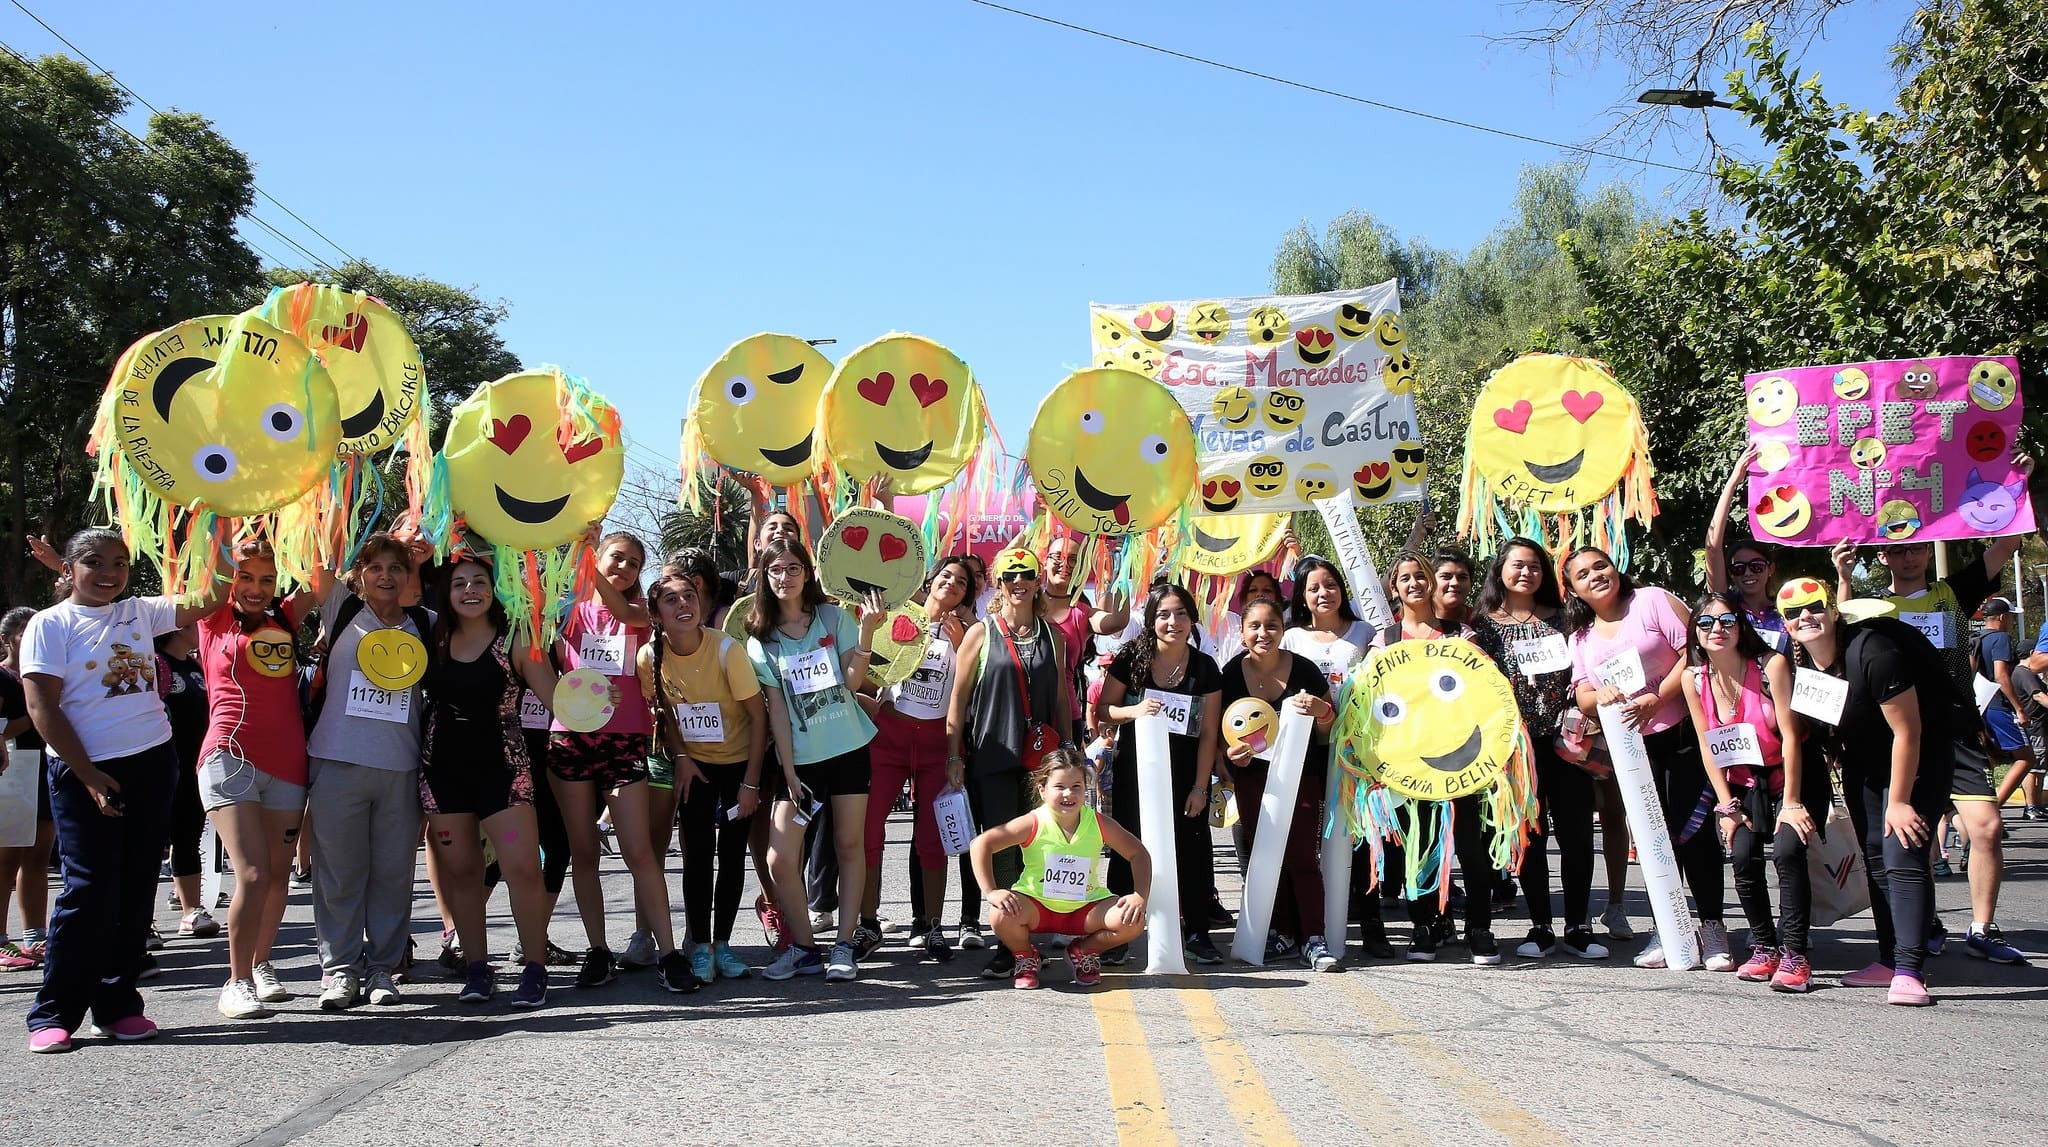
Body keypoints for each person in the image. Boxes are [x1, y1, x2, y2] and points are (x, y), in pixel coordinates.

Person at [19, 528, 225, 1052]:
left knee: (136, 890)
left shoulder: (138, 612)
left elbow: (214, 596)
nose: (109, 574)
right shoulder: (50, 624)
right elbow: (43, 708)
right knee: (88, 892)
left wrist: (222, 524)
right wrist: (87, 775)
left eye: (119, 563)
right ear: (67, 568)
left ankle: (116, 1005)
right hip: (82, 773)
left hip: (152, 763)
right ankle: (53, 1012)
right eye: (94, 562)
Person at [1780, 578, 1952, 1005]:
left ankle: (1911, 970)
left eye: (1815, 606)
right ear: (1785, 625)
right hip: (1865, 763)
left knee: (1901, 851)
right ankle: (1890, 959)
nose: (1806, 616)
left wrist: (1898, 800)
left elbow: (1907, 731)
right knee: (1875, 855)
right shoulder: (1802, 665)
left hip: (1920, 758)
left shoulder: (1874, 651)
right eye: (1793, 612)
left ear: (1834, 610)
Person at [422, 556, 578, 1007]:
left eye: (479, 582)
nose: (470, 590)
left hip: (504, 772)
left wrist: (592, 699)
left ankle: (534, 968)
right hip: (442, 773)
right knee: (464, 874)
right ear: (446, 594)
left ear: (496, 589)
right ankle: (476, 968)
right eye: (459, 584)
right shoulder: (436, 637)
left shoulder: (517, 638)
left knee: (522, 870)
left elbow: (556, 699)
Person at [1565, 546, 1729, 971]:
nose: (1595, 576)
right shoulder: (1580, 637)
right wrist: (1596, 696)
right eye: (1583, 574)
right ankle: (1669, 928)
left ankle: (1713, 929)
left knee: (1692, 834)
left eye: (1600, 565)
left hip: (1683, 735)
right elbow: (1582, 692)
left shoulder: (1652, 600)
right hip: (1633, 749)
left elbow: (1694, 654)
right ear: (1574, 589)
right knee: (1654, 841)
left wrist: (1656, 699)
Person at [191, 538, 320, 1019]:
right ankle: (236, 980)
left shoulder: (284, 617)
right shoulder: (212, 618)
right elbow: (208, 560)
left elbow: (320, 571)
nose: (256, 588)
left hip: (287, 759)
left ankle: (261, 965)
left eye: (267, 579)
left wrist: (317, 502)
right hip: (230, 753)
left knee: (278, 876)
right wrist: (225, 518)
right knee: (251, 872)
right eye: (246, 577)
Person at [746, 537, 884, 982]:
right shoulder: (760, 640)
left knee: (848, 845)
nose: (784, 577)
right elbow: (777, 710)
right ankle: (804, 947)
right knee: (779, 858)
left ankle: (844, 946)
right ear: (765, 578)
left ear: (807, 572)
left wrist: (865, 632)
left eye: (792, 568)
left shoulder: (832, 617)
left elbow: (849, 680)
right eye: (775, 570)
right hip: (800, 763)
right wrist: (787, 771)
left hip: (847, 748)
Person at [550, 531, 682, 989]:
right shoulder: (570, 611)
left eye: (633, 563)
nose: (623, 568)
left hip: (625, 741)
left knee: (638, 851)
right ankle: (598, 950)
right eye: (615, 558)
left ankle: (668, 953)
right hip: (571, 740)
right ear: (598, 557)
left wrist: (590, 563)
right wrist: (578, 551)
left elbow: (624, 611)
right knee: (583, 852)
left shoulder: (642, 615)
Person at [305, 533, 433, 1010]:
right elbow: (321, 553)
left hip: (400, 767)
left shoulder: (426, 623)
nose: (386, 576)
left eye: (395, 568)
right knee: (339, 874)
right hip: (337, 762)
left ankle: (383, 968)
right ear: (358, 574)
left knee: (393, 874)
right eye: (375, 567)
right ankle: (338, 971)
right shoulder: (340, 609)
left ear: (408, 576)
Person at [1471, 539, 1607, 961]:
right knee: (1530, 836)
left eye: (1534, 566)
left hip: (1567, 744)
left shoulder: (1568, 619)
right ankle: (1541, 925)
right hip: (1515, 748)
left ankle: (1579, 925)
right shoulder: (1482, 626)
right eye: (1517, 566)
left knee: (1577, 835)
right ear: (1500, 572)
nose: (1526, 573)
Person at [1683, 592, 1823, 991]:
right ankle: (1765, 945)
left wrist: (1792, 802)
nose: (1717, 630)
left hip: (1789, 776)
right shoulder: (1693, 678)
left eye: (1727, 621)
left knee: (1787, 852)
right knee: (1742, 855)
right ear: (1695, 631)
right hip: (1742, 785)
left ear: (1741, 626)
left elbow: (1793, 737)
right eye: (1706, 623)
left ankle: (1795, 954)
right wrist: (1726, 806)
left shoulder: (1769, 665)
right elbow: (1707, 745)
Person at [948, 547, 1075, 977]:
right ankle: (1011, 944)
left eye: (1026, 574)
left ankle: (1037, 933)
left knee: (1043, 846)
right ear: (998, 585)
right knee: (1002, 849)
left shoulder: (1053, 636)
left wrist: (1071, 757)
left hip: (1042, 763)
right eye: (1009, 576)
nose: (1018, 582)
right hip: (993, 755)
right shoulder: (980, 634)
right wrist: (954, 755)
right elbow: (958, 700)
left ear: (1038, 581)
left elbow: (1061, 699)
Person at [1370, 550, 1498, 964]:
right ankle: (1424, 926)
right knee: (1420, 847)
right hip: (1410, 763)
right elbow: (1370, 699)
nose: (1413, 584)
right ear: (1394, 588)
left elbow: (1486, 692)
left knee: (1471, 849)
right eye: (1404, 578)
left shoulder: (1460, 636)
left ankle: (1479, 928)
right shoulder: (1384, 640)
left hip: (1463, 758)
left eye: (1420, 576)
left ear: (1431, 582)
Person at [640, 567, 765, 984]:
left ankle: (725, 946)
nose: (684, 605)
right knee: (696, 856)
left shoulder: (727, 649)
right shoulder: (649, 656)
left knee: (731, 855)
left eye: (690, 597)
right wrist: (680, 757)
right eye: (672, 599)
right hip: (694, 766)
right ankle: (700, 946)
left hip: (738, 764)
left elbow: (758, 718)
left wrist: (750, 784)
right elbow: (664, 713)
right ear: (656, 612)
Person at [1096, 582, 1224, 967]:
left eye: (1181, 613)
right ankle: (1117, 932)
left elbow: (1209, 734)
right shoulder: (1131, 656)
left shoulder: (1205, 667)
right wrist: (1133, 712)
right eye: (1164, 615)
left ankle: (1198, 932)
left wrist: (1201, 787)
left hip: (1186, 775)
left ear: (1192, 619)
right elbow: (1104, 710)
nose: (1173, 622)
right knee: (1127, 850)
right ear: (1151, 621)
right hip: (1137, 773)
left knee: (1193, 849)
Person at [858, 556, 973, 964]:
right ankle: (867, 923)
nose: (952, 584)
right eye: (946, 576)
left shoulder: (966, 634)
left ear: (966, 594)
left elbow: (962, 695)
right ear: (931, 580)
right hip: (888, 735)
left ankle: (933, 925)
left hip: (934, 743)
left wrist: (961, 645)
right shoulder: (899, 617)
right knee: (869, 831)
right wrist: (867, 700)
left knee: (931, 838)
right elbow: (872, 674)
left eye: (961, 582)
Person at [1281, 556, 1392, 957]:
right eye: (1313, 588)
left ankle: (1372, 923)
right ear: (1303, 598)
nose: (1323, 593)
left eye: (1330, 584)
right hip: (1308, 750)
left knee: (1362, 838)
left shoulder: (1365, 632)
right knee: (1311, 837)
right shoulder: (1291, 638)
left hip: (1357, 750)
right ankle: (1310, 923)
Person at [970, 747, 1151, 989]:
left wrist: (1140, 896)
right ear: (1042, 790)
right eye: (1060, 787)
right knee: (999, 914)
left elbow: (1138, 853)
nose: (1068, 793)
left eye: (1076, 786)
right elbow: (981, 844)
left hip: (1086, 908)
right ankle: (1025, 957)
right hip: (1036, 905)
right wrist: (991, 891)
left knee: (1133, 920)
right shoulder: (1033, 822)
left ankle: (1084, 952)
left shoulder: (1097, 823)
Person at [1219, 599, 1337, 970]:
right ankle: (1282, 930)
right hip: (1253, 780)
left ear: (1282, 630)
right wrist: (1230, 755)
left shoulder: (1304, 669)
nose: (1263, 633)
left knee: (1303, 857)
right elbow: (1221, 732)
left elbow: (1329, 722)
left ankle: (1315, 938)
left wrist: (1321, 712)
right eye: (1254, 626)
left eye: (1271, 626)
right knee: (1266, 857)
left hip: (1301, 777)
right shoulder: (1230, 675)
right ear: (1242, 633)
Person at [1955, 597, 2031, 963]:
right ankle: (1928, 924)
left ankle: (1981, 928)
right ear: (1999, 619)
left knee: (1985, 827)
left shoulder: (1973, 638)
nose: (2011, 624)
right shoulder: (1996, 638)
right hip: (1993, 709)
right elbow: (2001, 674)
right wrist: (2017, 707)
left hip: (1967, 720)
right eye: (2009, 619)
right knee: (2026, 757)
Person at [0, 606, 54, 971]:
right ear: (6, 640)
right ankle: (2, 940)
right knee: (6, 861)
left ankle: (36, 936)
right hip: (12, 772)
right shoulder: (2, 678)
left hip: (46, 769)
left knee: (37, 858)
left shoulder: (45, 673)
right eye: (24, 630)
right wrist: (39, 711)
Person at [155, 626, 213, 953]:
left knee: (188, 838)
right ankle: (142, 921)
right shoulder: (154, 662)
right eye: (194, 623)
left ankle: (191, 911)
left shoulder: (196, 667)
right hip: (161, 768)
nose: (201, 627)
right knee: (149, 845)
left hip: (195, 769)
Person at [1705, 446, 1789, 650]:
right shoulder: (1727, 606)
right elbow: (1712, 547)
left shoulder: (1787, 611)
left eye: (1757, 566)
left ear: (1771, 569)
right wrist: (1734, 481)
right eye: (1738, 568)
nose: (1748, 573)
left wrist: (1844, 577)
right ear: (1731, 575)